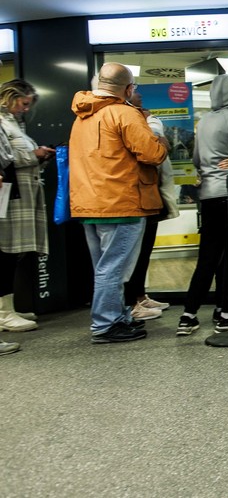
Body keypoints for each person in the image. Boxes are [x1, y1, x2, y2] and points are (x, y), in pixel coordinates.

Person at [70, 63, 168, 344]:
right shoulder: (125, 113)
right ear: (128, 89)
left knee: (104, 266)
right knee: (113, 268)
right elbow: (152, 154)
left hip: (89, 203)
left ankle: (116, 315)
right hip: (121, 202)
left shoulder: (82, 116)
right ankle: (105, 325)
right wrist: (158, 134)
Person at [177, 74, 228, 336]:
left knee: (209, 257)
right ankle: (227, 315)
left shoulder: (204, 122)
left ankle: (188, 315)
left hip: (210, 195)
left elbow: (195, 158)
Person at [0, 79, 54, 334]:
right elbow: (7, 158)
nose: (24, 109)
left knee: (13, 254)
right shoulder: (2, 123)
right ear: (10, 97)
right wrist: (34, 155)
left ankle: (7, 307)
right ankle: (3, 313)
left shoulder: (14, 124)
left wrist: (38, 157)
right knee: (5, 254)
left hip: (20, 197)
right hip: (9, 199)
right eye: (23, 103)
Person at [122, 90, 179, 319]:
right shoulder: (127, 119)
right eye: (134, 91)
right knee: (133, 254)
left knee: (144, 250)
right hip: (134, 196)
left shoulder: (143, 118)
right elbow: (154, 149)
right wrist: (156, 136)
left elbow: (160, 145)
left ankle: (140, 296)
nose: (140, 95)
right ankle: (131, 303)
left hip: (150, 194)